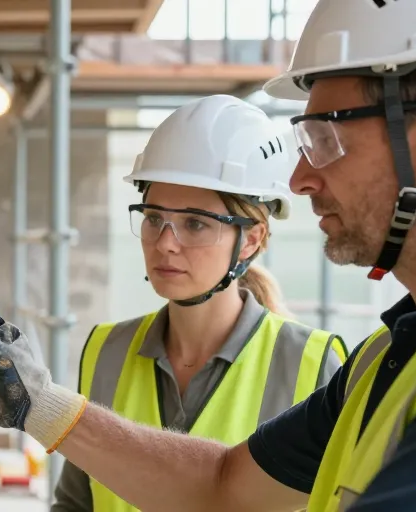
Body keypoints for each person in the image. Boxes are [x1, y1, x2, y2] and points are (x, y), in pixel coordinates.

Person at [0, 1, 416, 510]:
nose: (301, 179)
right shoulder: (390, 353)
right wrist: (38, 404)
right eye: (155, 218)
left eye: (325, 139)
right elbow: (223, 486)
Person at [51, 94, 348, 512]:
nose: (165, 243)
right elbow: (76, 504)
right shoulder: (105, 351)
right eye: (154, 217)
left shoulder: (311, 364)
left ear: (251, 239)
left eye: (195, 223)